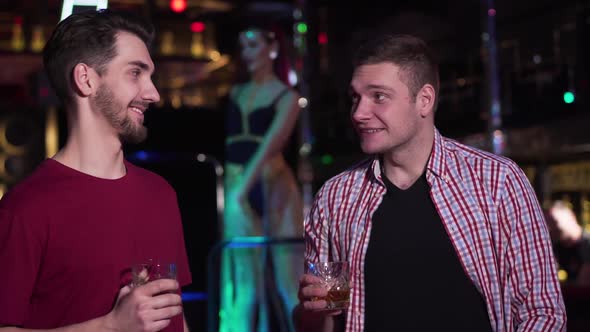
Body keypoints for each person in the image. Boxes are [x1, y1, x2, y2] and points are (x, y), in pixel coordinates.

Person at [294, 34, 566, 331]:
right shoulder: (336, 197)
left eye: (379, 96)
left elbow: (543, 312)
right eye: (355, 97)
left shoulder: (496, 182)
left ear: (424, 100)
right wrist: (317, 311)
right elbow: (318, 320)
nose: (358, 113)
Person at [0, 9, 191, 332]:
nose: (153, 93)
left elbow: (175, 318)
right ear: (86, 79)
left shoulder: (161, 193)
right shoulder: (26, 208)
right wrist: (112, 326)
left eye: (150, 76)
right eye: (135, 73)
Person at [221, 25, 303, 332]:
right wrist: (237, 191)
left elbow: (270, 146)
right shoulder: (235, 93)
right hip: (235, 184)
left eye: (253, 45)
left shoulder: (287, 97)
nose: (246, 53)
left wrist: (242, 191)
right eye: (243, 46)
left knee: (288, 281)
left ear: (272, 48)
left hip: (274, 184)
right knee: (241, 284)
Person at [545, 200, 590, 286]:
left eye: (555, 221)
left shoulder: (587, 244)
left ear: (571, 216)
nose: (551, 228)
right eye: (548, 224)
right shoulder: (555, 249)